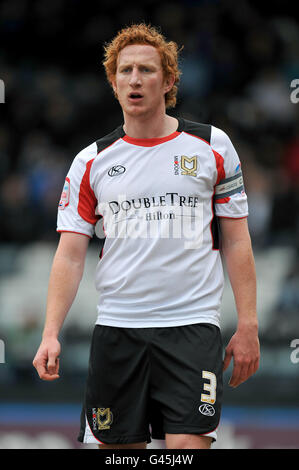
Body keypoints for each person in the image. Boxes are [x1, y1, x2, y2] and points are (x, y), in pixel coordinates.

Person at [33, 23, 260, 450]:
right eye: (125, 71)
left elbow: (237, 241)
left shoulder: (213, 146)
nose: (135, 79)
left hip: (192, 327)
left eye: (147, 70)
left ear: (169, 80)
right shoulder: (91, 161)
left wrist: (248, 323)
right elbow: (69, 255)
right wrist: (50, 332)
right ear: (113, 82)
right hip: (119, 329)